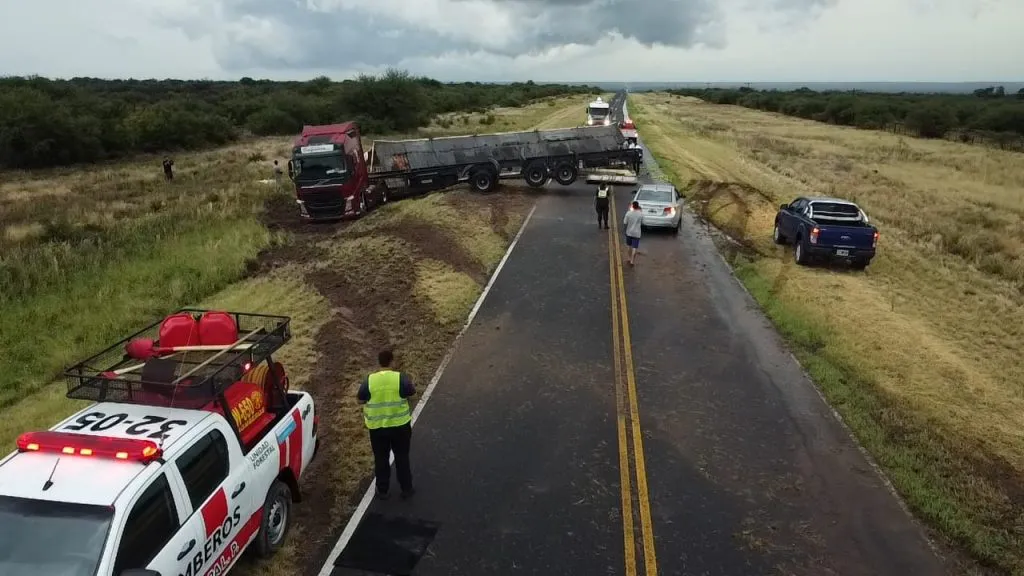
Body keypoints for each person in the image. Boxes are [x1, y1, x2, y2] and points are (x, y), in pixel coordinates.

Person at [357, 349, 416, 500]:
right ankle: (407, 489)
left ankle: (382, 490)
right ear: (392, 361)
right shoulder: (400, 378)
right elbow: (411, 392)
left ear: (379, 362)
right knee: (402, 457)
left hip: (377, 428)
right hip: (400, 426)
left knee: (381, 459)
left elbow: (360, 399)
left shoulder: (370, 380)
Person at [623, 200, 643, 266]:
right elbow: (643, 222)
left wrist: (625, 230)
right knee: (635, 247)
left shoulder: (628, 213)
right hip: (637, 233)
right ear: (638, 206)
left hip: (629, 232)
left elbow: (625, 222)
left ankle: (629, 258)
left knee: (629, 246)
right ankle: (632, 261)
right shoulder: (640, 214)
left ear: (632, 206)